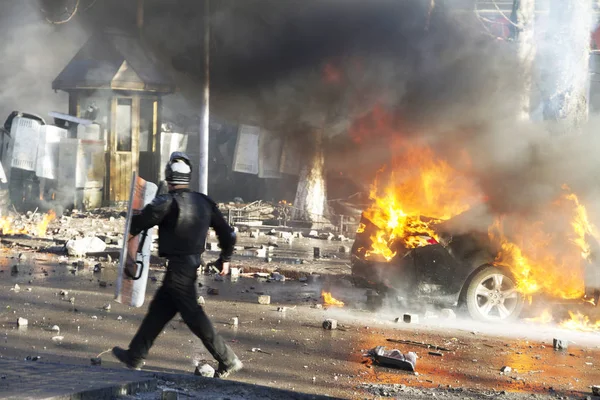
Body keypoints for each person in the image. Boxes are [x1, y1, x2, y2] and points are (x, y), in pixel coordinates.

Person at [112, 152, 243, 378]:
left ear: (168, 177)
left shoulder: (166, 202)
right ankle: (135, 355)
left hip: (179, 271)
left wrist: (131, 254)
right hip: (187, 267)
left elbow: (137, 224)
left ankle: (228, 359)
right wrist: (225, 259)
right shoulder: (204, 202)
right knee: (158, 311)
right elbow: (228, 234)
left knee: (194, 317)